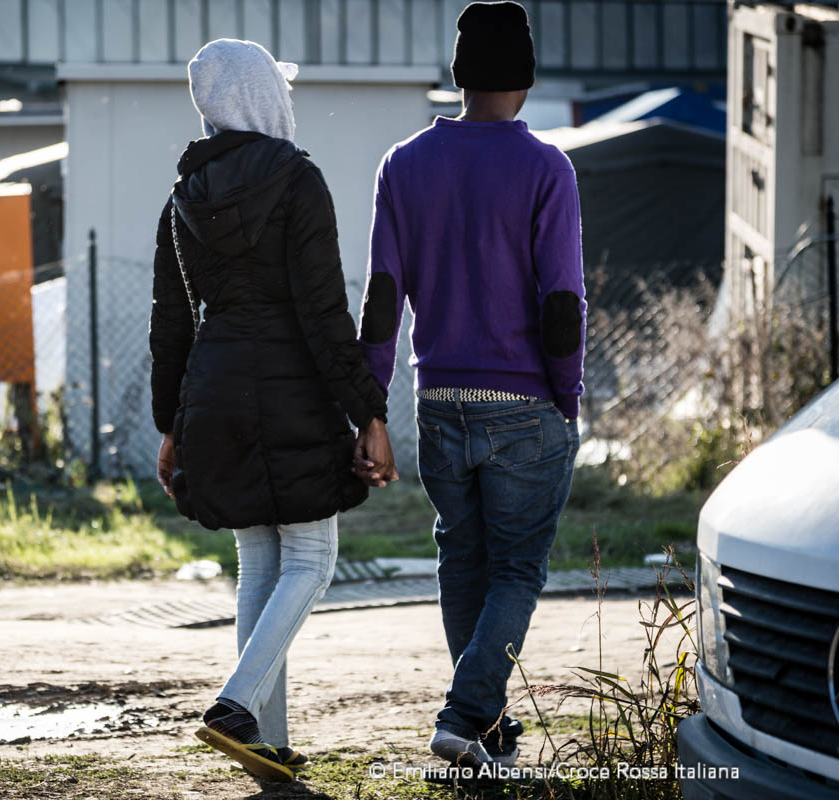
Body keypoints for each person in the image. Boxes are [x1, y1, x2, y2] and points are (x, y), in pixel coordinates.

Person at [148, 38, 397, 782]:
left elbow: (171, 320)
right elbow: (322, 310)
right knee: (314, 561)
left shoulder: (183, 195)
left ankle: (267, 749)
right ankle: (234, 707)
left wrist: (171, 424)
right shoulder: (298, 180)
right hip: (289, 385)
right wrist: (369, 413)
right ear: (262, 96)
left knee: (259, 559)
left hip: (215, 389)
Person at [355, 1, 586, 767]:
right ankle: (463, 718)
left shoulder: (403, 164)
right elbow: (562, 304)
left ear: (459, 76)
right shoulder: (547, 167)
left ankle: (486, 727)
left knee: (465, 561)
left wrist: (371, 409)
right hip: (525, 404)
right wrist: (568, 399)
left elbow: (382, 297)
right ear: (525, 77)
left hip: (438, 401)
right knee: (517, 569)